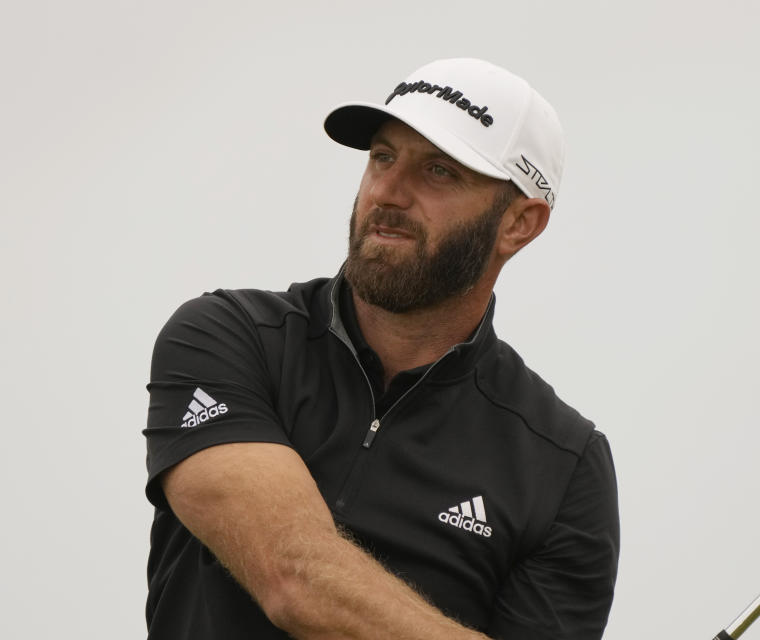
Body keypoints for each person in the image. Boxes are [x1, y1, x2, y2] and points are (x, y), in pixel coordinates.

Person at [143, 57, 619, 640]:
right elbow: (294, 577)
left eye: (439, 172)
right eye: (382, 157)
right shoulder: (230, 336)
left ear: (519, 223)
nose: (388, 192)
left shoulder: (563, 465)